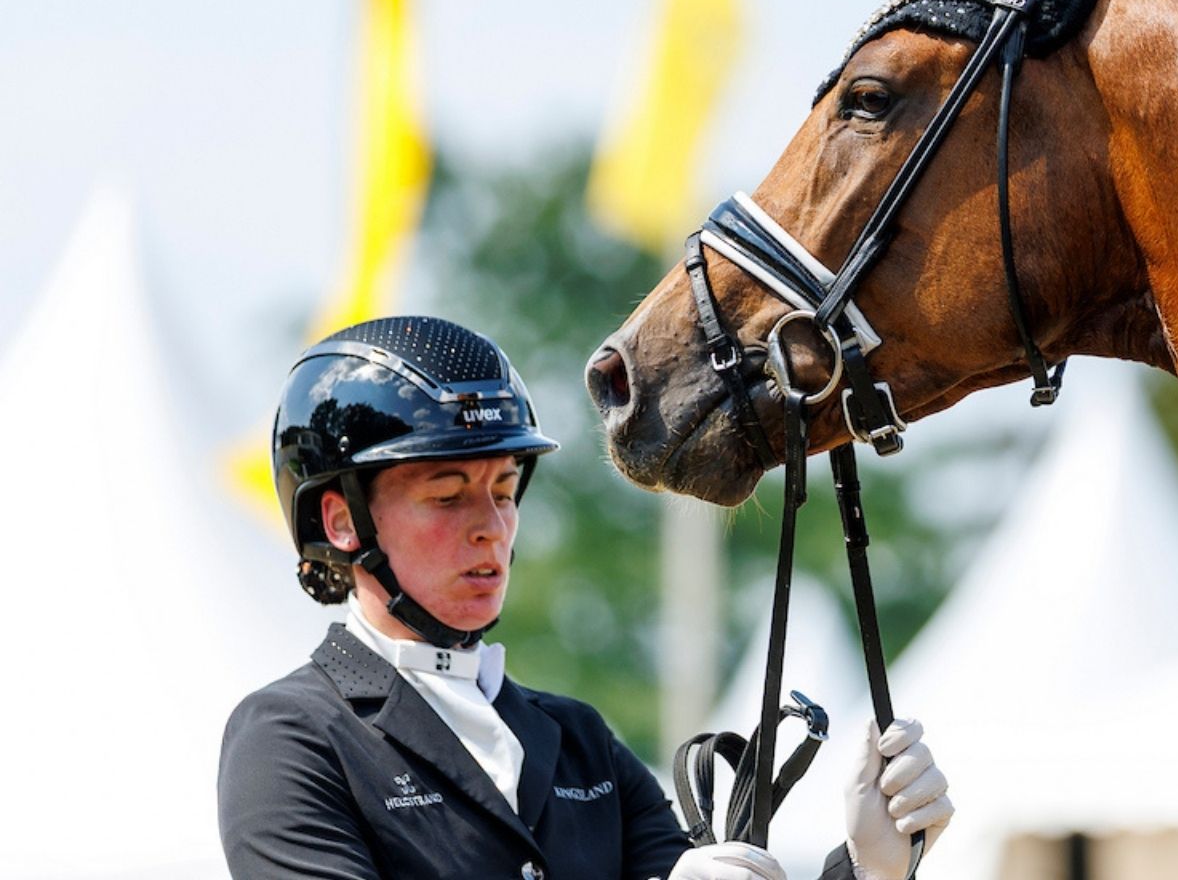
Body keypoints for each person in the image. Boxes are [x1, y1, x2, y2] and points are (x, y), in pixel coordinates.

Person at [219, 316, 954, 879]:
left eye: (504, 490)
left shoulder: (578, 740)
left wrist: (866, 868)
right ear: (342, 521)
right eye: (448, 496)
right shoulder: (290, 738)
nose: (492, 527)